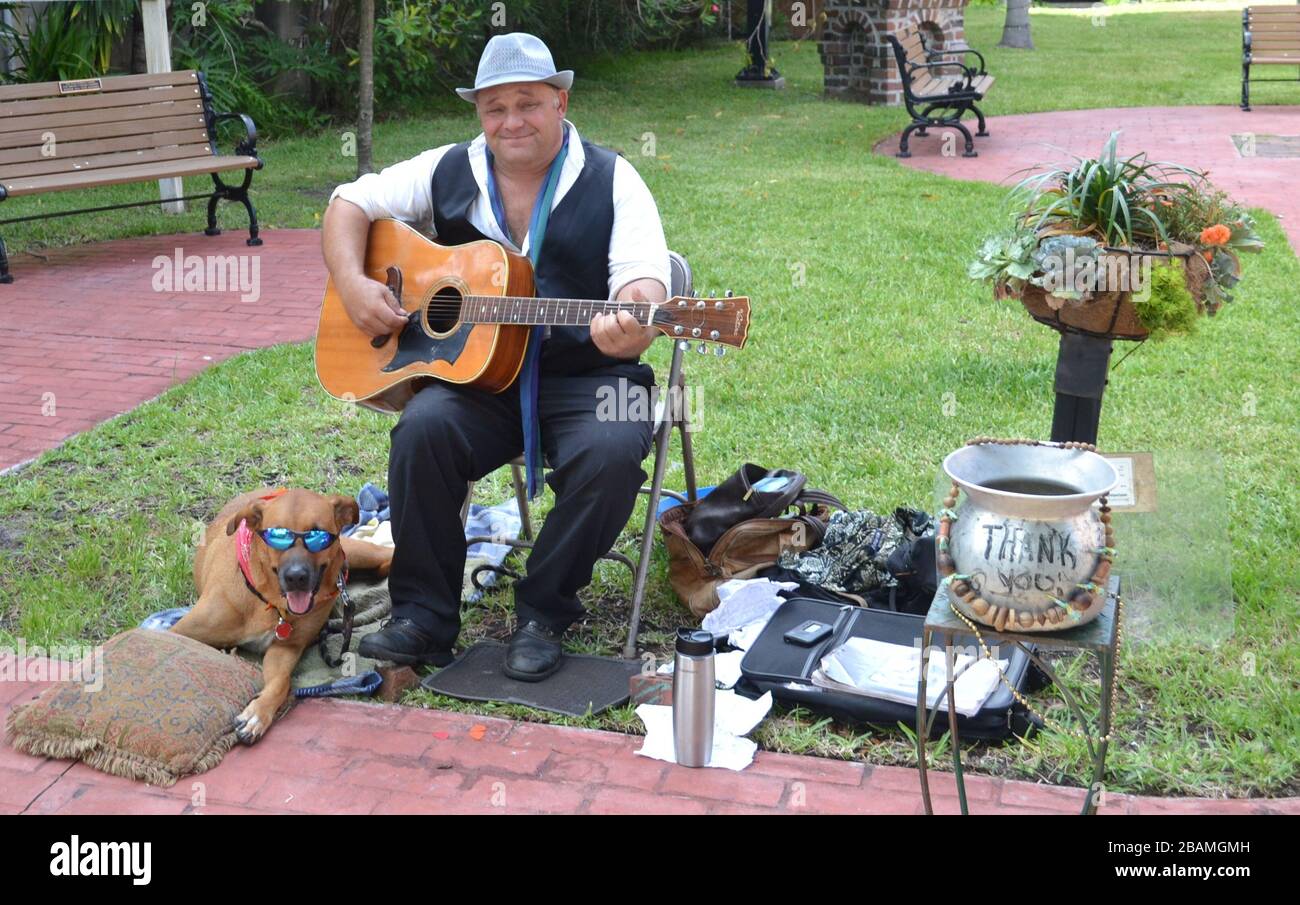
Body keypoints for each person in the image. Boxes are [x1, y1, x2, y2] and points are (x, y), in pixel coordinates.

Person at [321, 33, 671, 680]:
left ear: (560, 101)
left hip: (588, 374)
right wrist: (352, 282)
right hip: (480, 378)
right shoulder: (449, 167)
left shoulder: (613, 177)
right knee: (422, 431)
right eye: (495, 107)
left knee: (614, 450)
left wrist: (635, 316)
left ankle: (543, 611)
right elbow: (349, 202)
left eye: (528, 104)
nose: (511, 121)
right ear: (479, 112)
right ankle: (422, 618)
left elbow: (643, 278)